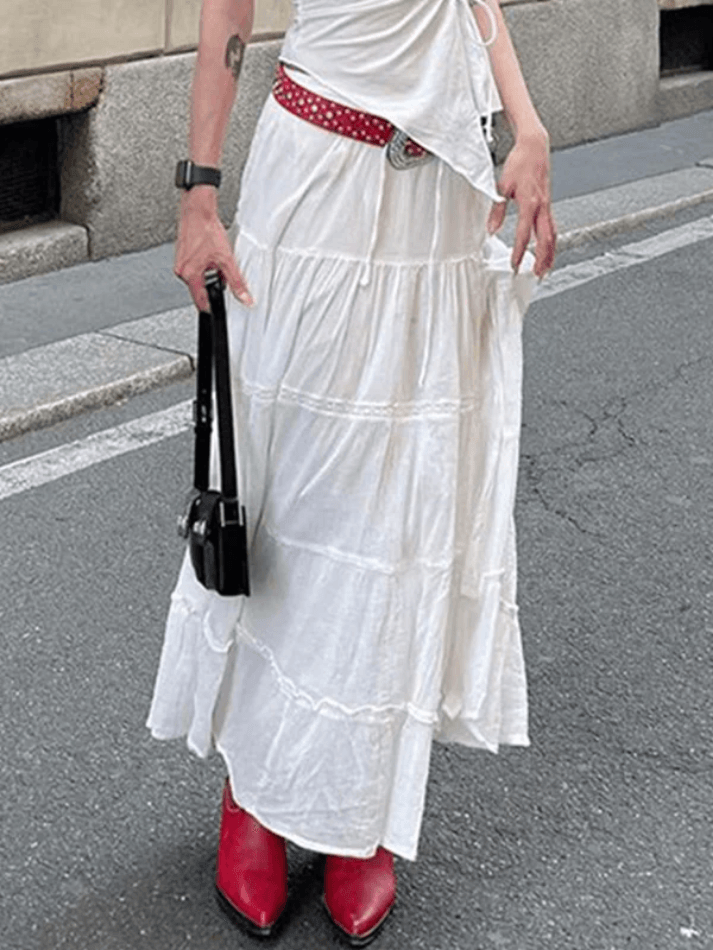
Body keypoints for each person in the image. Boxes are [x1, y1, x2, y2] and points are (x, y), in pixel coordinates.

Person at [147, 0, 557, 944]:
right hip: (317, 184)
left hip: (435, 198)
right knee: (291, 496)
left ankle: (355, 802)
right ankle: (253, 789)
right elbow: (229, 9)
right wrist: (199, 198)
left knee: (397, 507)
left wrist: (524, 121)